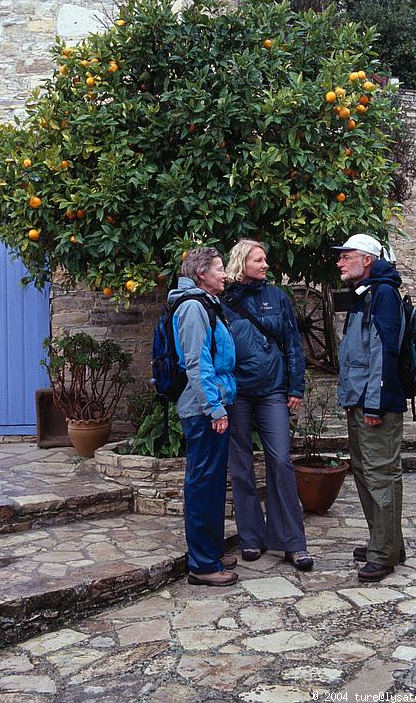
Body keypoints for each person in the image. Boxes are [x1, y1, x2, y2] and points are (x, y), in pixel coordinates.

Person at [221, 239, 313, 571]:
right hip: (238, 394)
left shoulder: (277, 297)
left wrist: (296, 387)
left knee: (281, 461)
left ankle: (293, 542)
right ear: (241, 262)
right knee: (241, 466)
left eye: (265, 260)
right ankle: (251, 538)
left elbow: (292, 343)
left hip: (273, 391)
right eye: (258, 260)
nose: (265, 265)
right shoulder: (224, 300)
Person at [333, 233, 407, 583]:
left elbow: (383, 353)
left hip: (374, 403)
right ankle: (386, 542)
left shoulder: (384, 295)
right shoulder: (366, 294)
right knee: (366, 473)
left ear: (367, 260)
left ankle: (384, 553)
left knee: (381, 475)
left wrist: (375, 403)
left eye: (346, 256)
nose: (340, 262)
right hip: (359, 400)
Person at [168, 247, 238, 587]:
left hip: (210, 407)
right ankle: (202, 564)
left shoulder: (206, 305)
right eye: (219, 269)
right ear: (201, 274)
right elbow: (197, 364)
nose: (224, 274)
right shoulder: (194, 308)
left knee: (211, 485)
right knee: (202, 486)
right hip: (202, 411)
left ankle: (210, 552)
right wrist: (215, 408)